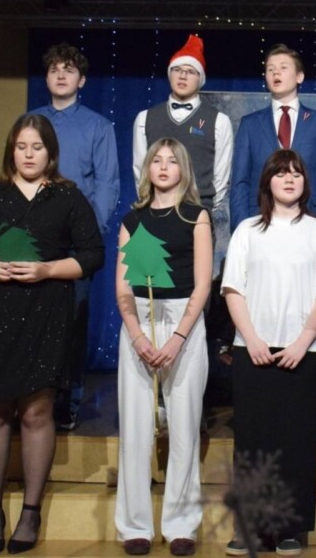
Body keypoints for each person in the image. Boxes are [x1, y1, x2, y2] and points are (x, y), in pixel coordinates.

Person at [0, 114, 104, 555]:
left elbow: (92, 255)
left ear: (50, 152)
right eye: (21, 147)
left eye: (37, 147)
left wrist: (46, 270)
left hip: (46, 313)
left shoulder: (67, 198)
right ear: (10, 151)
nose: (29, 154)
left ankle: (31, 512)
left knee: (37, 412)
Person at [221, 149, 316, 557]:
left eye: (297, 173)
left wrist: (304, 340)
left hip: (305, 351)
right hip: (253, 350)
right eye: (281, 173)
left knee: (296, 442)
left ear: (306, 182)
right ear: (267, 181)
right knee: (253, 442)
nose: (289, 179)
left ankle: (289, 528)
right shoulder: (247, 230)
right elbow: (233, 288)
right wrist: (251, 337)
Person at [115, 138, 212, 557]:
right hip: (140, 321)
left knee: (184, 428)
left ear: (183, 169)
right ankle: (135, 525)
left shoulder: (196, 217)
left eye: (172, 160)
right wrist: (138, 336)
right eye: (157, 159)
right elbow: (123, 287)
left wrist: (177, 338)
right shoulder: (132, 220)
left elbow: (203, 284)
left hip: (183, 322)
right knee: (136, 429)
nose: (164, 166)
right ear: (148, 168)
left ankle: (180, 525)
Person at [29, 42, 120, 431]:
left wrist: (89, 234)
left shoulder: (97, 126)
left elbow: (107, 183)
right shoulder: (30, 122)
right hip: (32, 239)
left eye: (68, 70)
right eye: (54, 69)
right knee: (31, 323)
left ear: (81, 80)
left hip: (74, 243)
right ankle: (30, 398)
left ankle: (67, 402)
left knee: (71, 324)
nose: (61, 75)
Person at [229, 43, 316, 232]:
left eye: (283, 67)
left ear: (299, 76)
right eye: (270, 69)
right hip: (259, 223)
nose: (276, 73)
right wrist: (241, 229)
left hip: (308, 222)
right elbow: (240, 181)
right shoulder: (250, 124)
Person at [132, 34, 234, 213]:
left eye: (191, 71)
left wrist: (204, 210)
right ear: (169, 74)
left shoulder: (219, 121)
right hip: (155, 212)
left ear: (200, 79)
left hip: (198, 212)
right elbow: (140, 169)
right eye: (177, 69)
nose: (183, 76)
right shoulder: (145, 118)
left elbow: (221, 176)